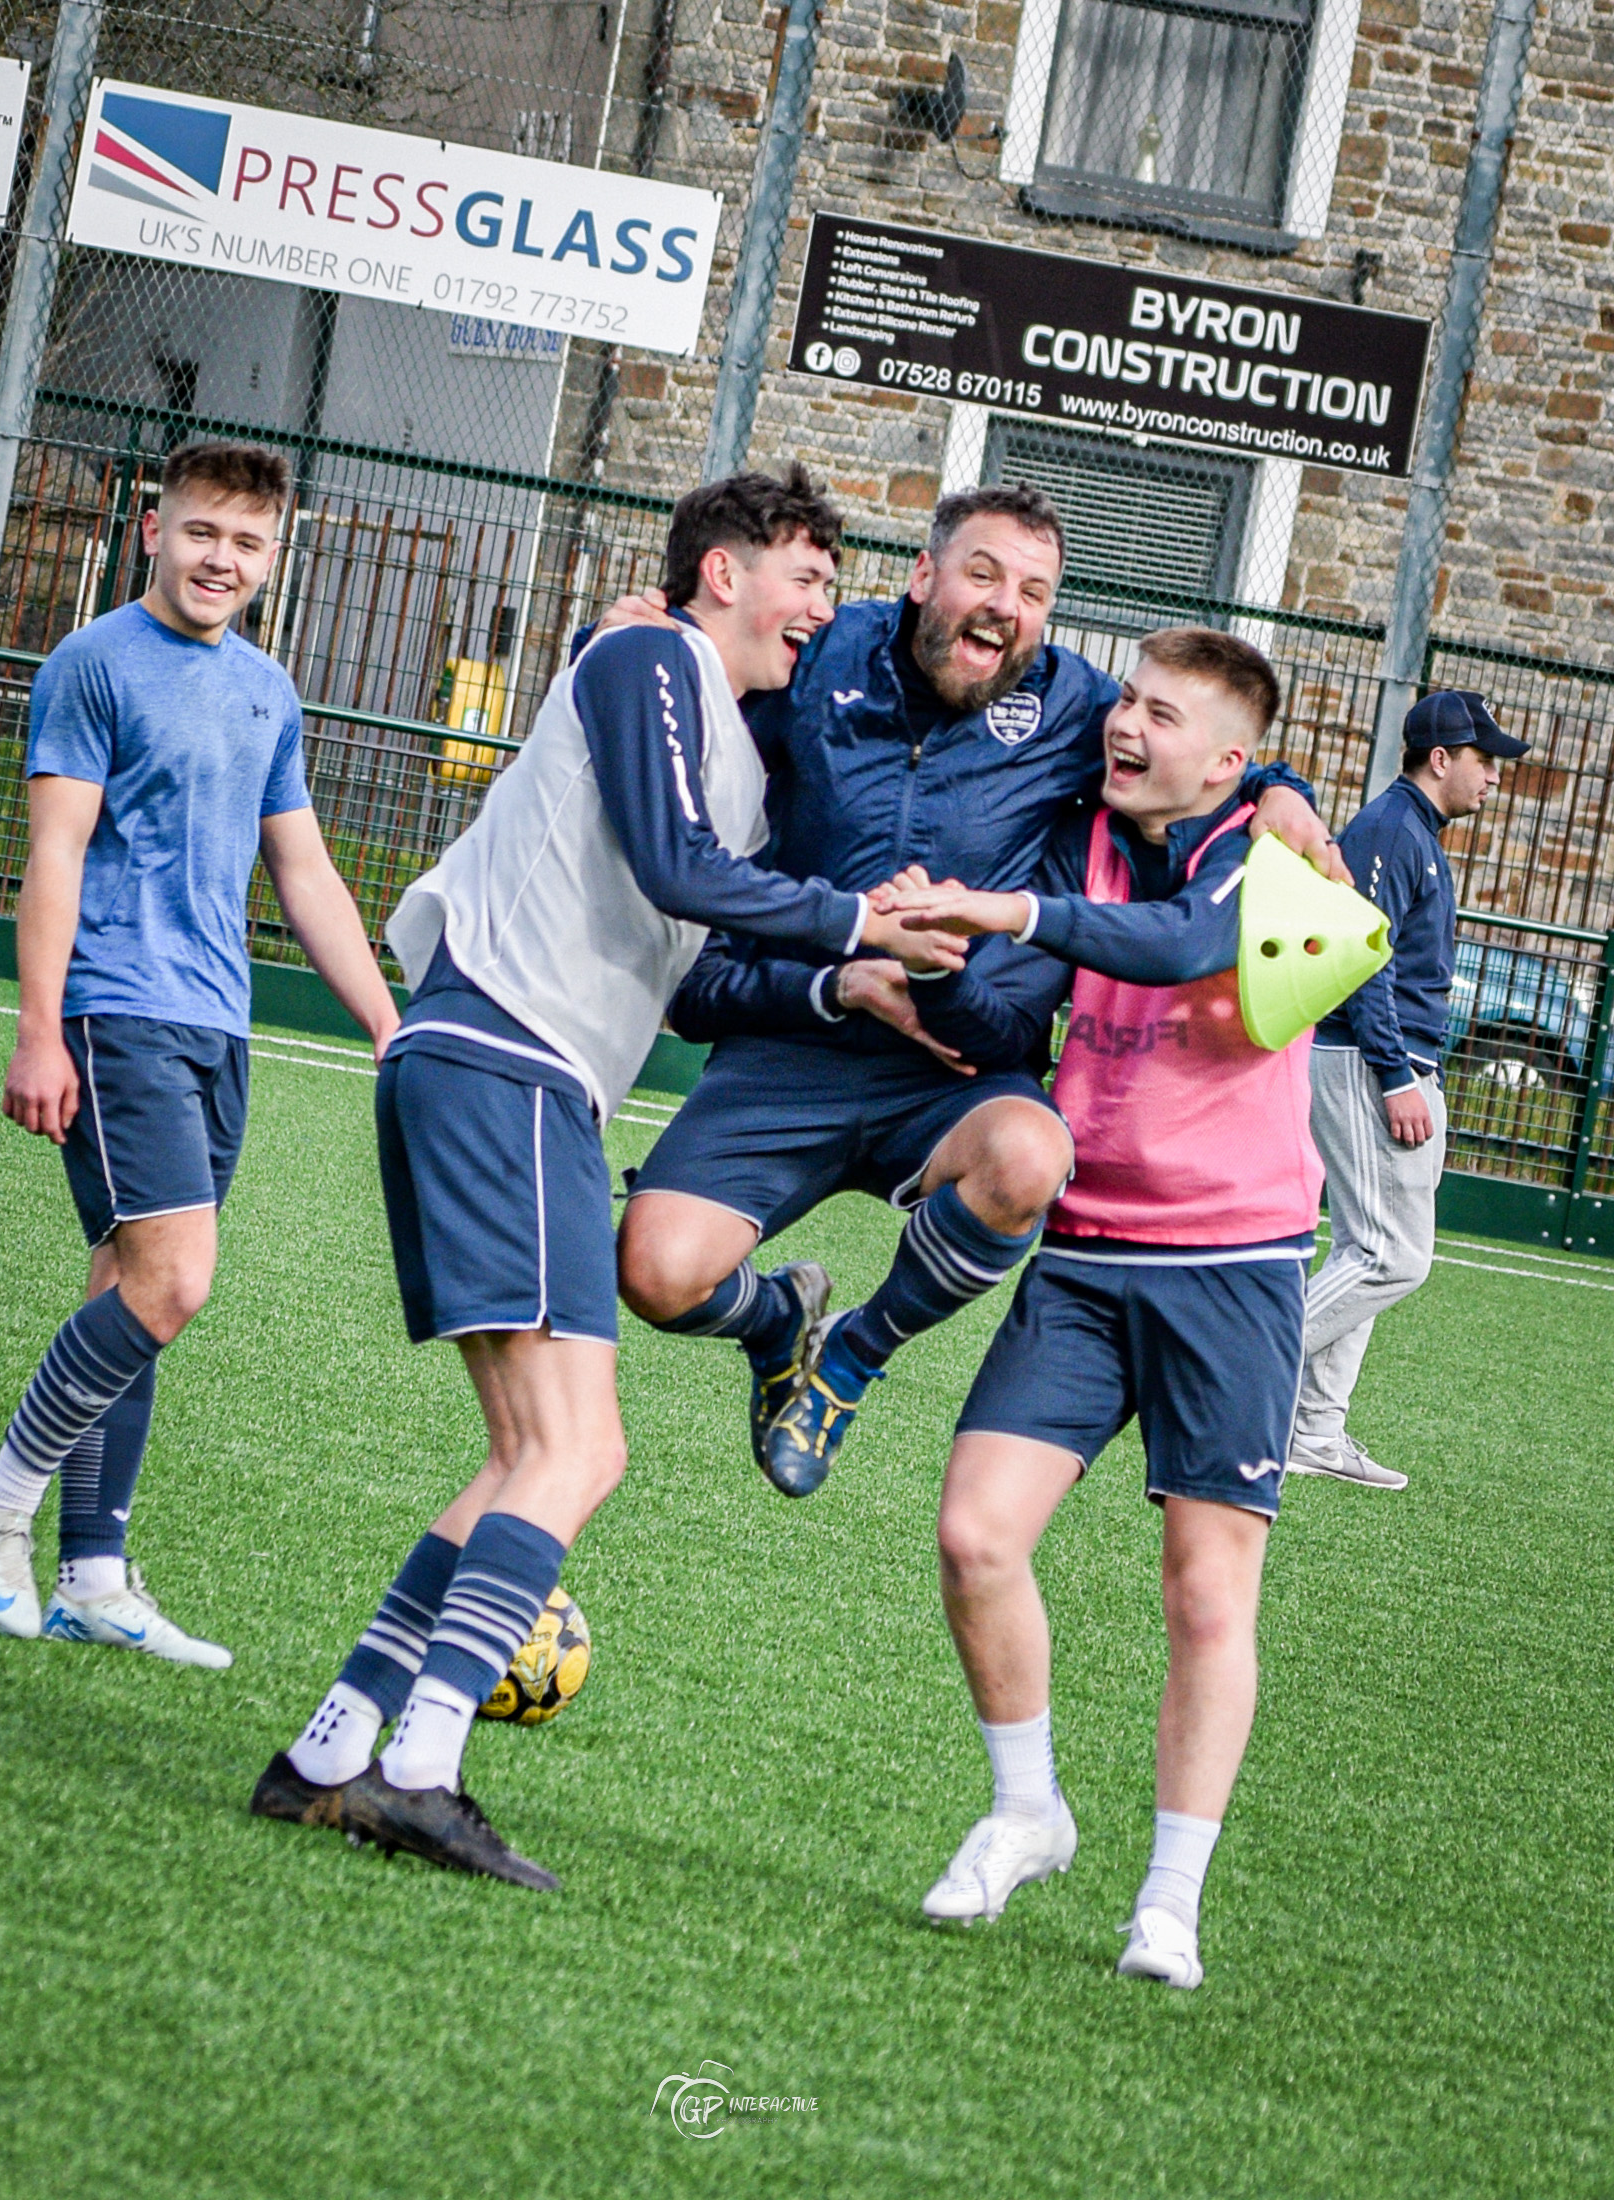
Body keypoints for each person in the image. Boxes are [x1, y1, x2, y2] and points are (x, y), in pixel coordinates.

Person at [250, 467, 966, 1886]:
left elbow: (694, 970)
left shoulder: (728, 753)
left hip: (521, 1080)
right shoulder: (649, 657)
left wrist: (839, 986)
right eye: (807, 578)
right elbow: (679, 867)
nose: (820, 610)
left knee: (529, 1456)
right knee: (576, 1454)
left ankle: (329, 1756)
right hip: (503, 1060)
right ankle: (420, 1770)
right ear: (722, 573)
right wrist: (857, 920)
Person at [610, 487, 1339, 1496]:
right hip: (792, 1042)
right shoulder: (825, 655)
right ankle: (780, 1322)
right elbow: (697, 665)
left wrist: (1279, 786)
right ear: (924, 575)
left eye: (1034, 592)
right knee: (654, 1273)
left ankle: (854, 1354)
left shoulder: (1074, 704)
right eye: (983, 574)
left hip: (947, 1074)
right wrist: (631, 634)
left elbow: (1196, 745)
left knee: (1031, 1154)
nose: (1006, 605)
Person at [886, 627, 1320, 1991]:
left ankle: (1169, 1900)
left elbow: (1183, 942)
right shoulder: (1084, 826)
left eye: (1163, 715)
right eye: (1126, 701)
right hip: (1083, 1253)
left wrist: (1006, 911)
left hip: (1231, 1267)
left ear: (1232, 760)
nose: (1126, 725)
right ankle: (1028, 1810)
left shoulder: (1273, 850)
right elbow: (1007, 1012)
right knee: (974, 1535)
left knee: (1205, 1593)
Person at [0, 441, 401, 1665]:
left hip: (215, 1024)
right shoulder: (92, 663)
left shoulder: (268, 691)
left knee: (132, 1292)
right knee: (173, 1281)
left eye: (247, 542)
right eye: (202, 532)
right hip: (114, 1012)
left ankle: (93, 1577)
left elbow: (303, 869)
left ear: (275, 557)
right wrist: (38, 1029)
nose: (221, 559)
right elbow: (53, 852)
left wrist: (384, 1019)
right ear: (155, 530)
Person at [1289, 691, 1529, 1489]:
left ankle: (1314, 1432)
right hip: (1368, 1062)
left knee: (1367, 1252)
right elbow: (1362, 959)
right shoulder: (1392, 828)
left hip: (1395, 1062)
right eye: (1484, 759)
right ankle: (1241, 1368)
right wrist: (1396, 1076)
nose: (1493, 775)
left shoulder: (1415, 831)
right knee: (1394, 1257)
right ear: (1441, 758)